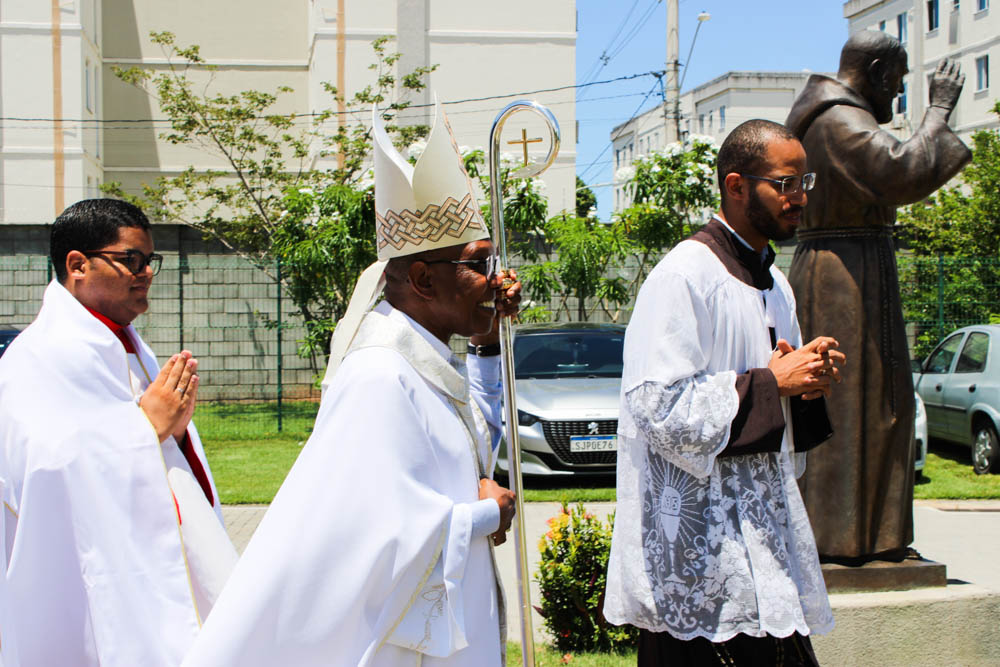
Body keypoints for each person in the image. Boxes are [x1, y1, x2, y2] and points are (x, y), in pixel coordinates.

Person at [182, 102, 519, 667]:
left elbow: (474, 444)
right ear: (421, 278)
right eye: (479, 265)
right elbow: (372, 536)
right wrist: (487, 513)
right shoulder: (380, 375)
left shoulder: (422, 359)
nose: (497, 281)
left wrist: (486, 339)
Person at [604, 120, 846, 666]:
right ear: (736, 185)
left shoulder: (776, 284)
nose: (800, 198)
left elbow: (780, 417)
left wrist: (806, 382)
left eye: (804, 182)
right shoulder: (684, 275)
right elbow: (657, 408)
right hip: (700, 554)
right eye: (785, 184)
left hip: (764, 537)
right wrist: (772, 383)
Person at [0, 199, 232, 666]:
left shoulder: (127, 345)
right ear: (77, 265)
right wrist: (147, 428)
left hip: (146, 558)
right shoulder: (39, 356)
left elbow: (152, 442)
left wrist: (176, 434)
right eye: (131, 259)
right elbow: (43, 470)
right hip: (79, 571)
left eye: (149, 260)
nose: (145, 273)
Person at [785, 31, 971, 562]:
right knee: (854, 405)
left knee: (875, 402)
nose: (900, 90)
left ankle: (872, 537)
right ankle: (845, 542)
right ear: (874, 71)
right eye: (897, 78)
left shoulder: (831, 115)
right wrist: (939, 111)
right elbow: (899, 172)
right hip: (846, 276)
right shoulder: (839, 119)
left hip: (851, 264)